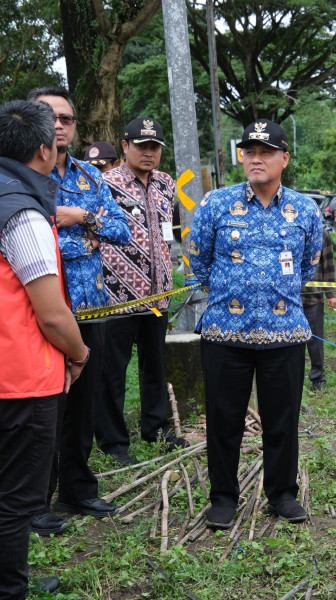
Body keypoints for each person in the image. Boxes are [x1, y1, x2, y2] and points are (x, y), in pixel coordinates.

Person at [190, 118, 322, 529]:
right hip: (225, 333)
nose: (256, 159)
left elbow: (308, 265)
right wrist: (232, 292)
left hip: (284, 334)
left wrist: (273, 295)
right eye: (250, 152)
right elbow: (198, 257)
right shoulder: (216, 203)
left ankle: (282, 495)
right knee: (223, 420)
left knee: (282, 421)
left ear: (284, 157)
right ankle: (223, 498)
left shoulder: (306, 209)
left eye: (266, 152)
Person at [27, 86, 131, 534]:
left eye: (67, 117)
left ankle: (77, 489)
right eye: (50, 116)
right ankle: (32, 502)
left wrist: (82, 217)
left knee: (84, 405)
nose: (60, 124)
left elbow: (122, 230)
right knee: (40, 413)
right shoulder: (18, 175)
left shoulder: (91, 177)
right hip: (38, 315)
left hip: (89, 310)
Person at [0, 99, 90, 599]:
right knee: (15, 500)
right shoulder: (25, 215)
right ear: (43, 149)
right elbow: (53, 314)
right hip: (20, 380)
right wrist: (78, 354)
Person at [97, 117, 188, 466]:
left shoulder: (166, 183)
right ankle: (113, 442)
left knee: (155, 367)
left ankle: (157, 429)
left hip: (157, 296)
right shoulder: (104, 183)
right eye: (141, 146)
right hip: (117, 298)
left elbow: (169, 232)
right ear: (125, 146)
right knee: (112, 373)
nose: (149, 153)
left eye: (155, 147)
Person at [301, 230, 336, 392]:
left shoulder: (322, 234)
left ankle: (317, 378)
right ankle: (293, 376)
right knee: (290, 342)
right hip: (287, 298)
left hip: (313, 297)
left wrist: (331, 293)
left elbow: (328, 264)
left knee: (315, 340)